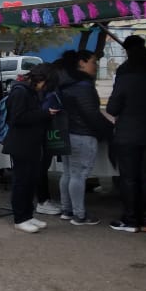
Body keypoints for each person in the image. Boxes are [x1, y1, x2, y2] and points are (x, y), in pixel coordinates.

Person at [106, 37, 146, 233]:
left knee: (129, 178)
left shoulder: (125, 76)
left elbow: (112, 108)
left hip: (127, 135)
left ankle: (131, 220)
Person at [57, 50, 113, 226]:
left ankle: (67, 209)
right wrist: (108, 129)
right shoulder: (83, 86)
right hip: (82, 134)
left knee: (68, 173)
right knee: (78, 175)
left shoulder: (65, 83)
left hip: (68, 133)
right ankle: (79, 215)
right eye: (93, 62)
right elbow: (91, 113)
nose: (95, 66)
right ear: (81, 63)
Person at [3, 63, 58, 233]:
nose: (45, 88)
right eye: (46, 84)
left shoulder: (30, 91)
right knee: (21, 182)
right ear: (41, 79)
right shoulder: (20, 92)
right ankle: (20, 218)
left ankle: (28, 215)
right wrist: (45, 114)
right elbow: (17, 118)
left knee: (30, 181)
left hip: (32, 143)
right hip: (21, 144)